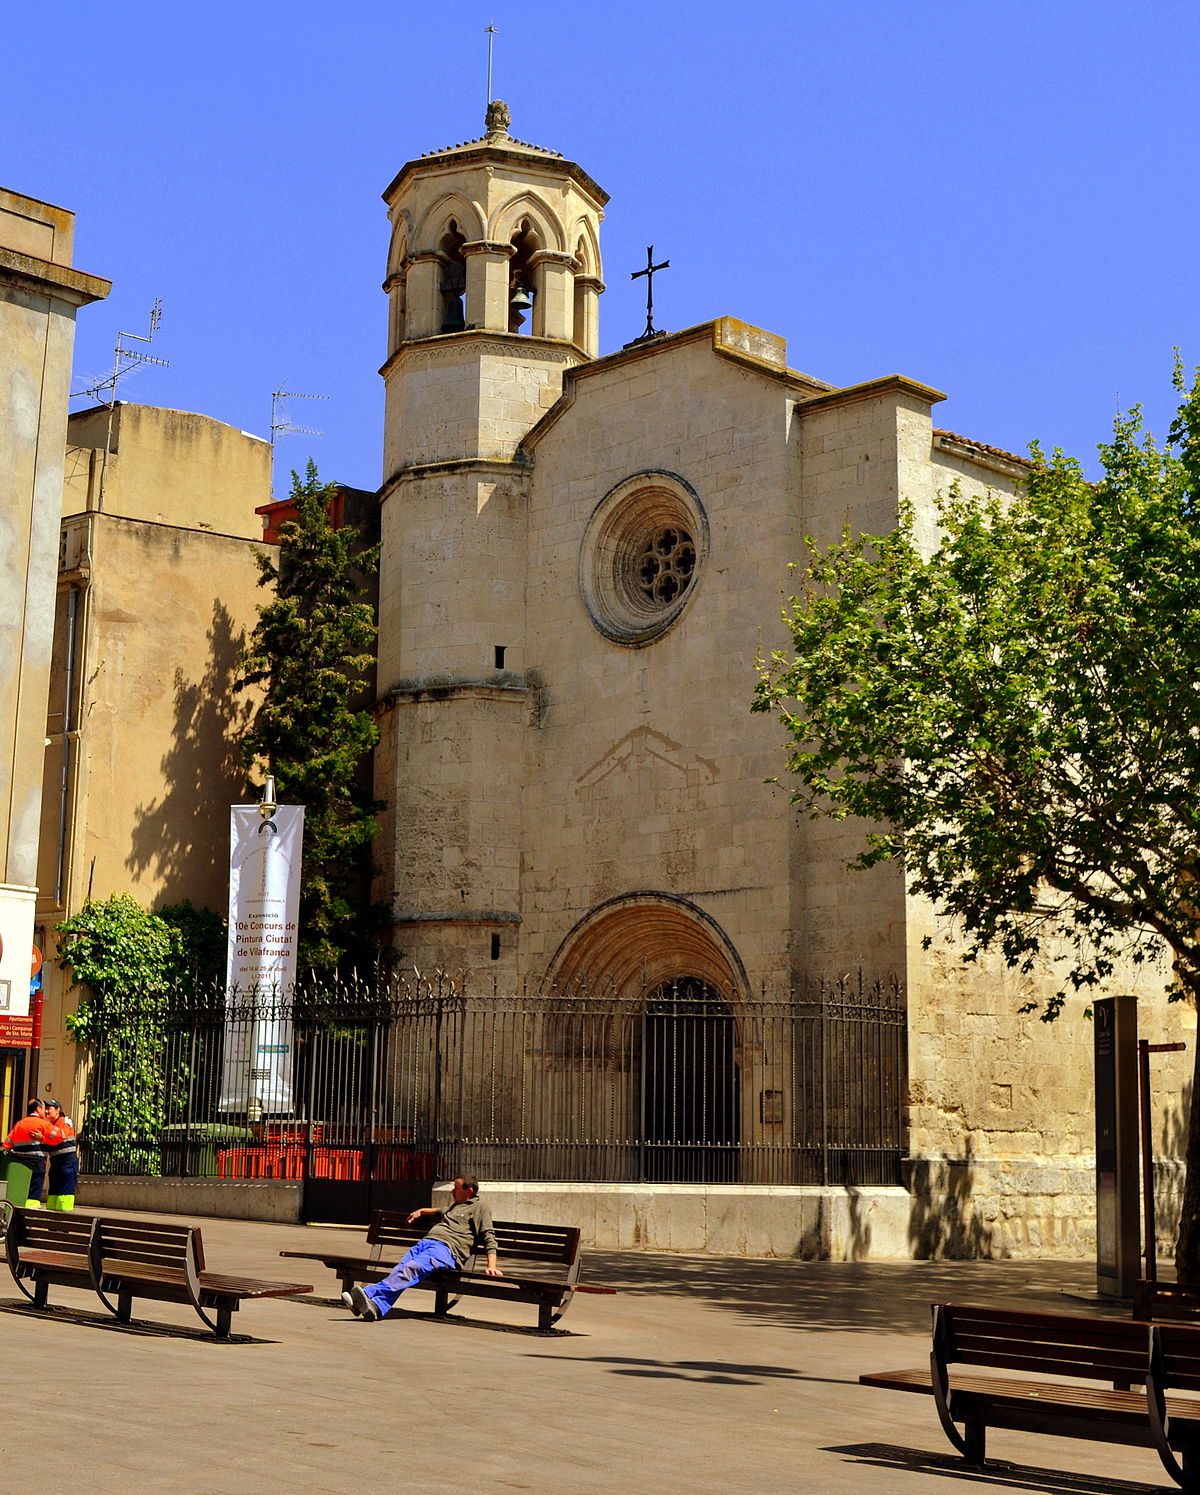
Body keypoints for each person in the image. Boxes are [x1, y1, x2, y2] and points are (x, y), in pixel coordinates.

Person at [343, 1173, 503, 1322]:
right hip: (425, 1244)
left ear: (469, 1191)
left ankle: (368, 1293)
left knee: (411, 1269)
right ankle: (376, 1307)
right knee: (402, 1269)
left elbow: (488, 1235)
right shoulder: (456, 1207)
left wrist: (492, 1266)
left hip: (446, 1250)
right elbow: (439, 1211)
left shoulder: (480, 1207)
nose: (452, 1191)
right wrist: (421, 1211)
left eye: (456, 1188)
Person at [2, 1099, 50, 1208]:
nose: (45, 1111)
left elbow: (7, 1144)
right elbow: (58, 1139)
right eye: (43, 1108)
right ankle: (31, 1210)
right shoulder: (44, 1124)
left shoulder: (20, 1124)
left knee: (22, 1186)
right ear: (38, 1109)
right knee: (35, 1186)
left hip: (20, 1162)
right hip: (38, 1161)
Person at [43, 1099, 78, 1211]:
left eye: (50, 1108)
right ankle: (53, 1224)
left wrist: (42, 1137)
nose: (47, 1111)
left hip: (67, 1161)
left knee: (65, 1194)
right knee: (54, 1192)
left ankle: (62, 1223)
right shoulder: (49, 1124)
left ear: (58, 1110)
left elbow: (60, 1135)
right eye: (46, 1108)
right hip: (56, 1162)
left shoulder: (66, 1121)